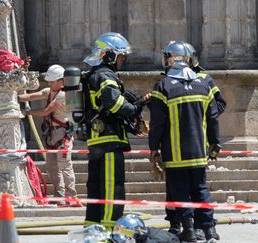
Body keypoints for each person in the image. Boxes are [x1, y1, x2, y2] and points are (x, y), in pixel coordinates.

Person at [148, 40, 220, 242]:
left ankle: (188, 230)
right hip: (199, 151)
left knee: (180, 191)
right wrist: (215, 143)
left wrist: (153, 149)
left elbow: (157, 124)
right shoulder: (203, 84)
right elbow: (213, 117)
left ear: (170, 59)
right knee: (201, 189)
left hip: (174, 153)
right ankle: (208, 230)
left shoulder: (162, 87)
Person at [82, 32, 144, 229]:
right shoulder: (105, 75)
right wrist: (135, 109)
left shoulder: (92, 75)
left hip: (96, 140)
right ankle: (109, 232)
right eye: (120, 55)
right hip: (109, 140)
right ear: (108, 55)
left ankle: (92, 230)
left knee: (96, 190)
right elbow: (114, 103)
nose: (122, 60)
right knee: (112, 189)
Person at [18, 64, 80, 207]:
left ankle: (71, 196)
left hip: (62, 134)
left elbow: (46, 111)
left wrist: (27, 112)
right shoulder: (50, 90)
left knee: (65, 166)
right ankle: (59, 195)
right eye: (49, 82)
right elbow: (32, 96)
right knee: (52, 166)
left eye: (52, 81)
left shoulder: (63, 95)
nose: (49, 84)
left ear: (61, 81)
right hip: (52, 134)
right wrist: (17, 95)